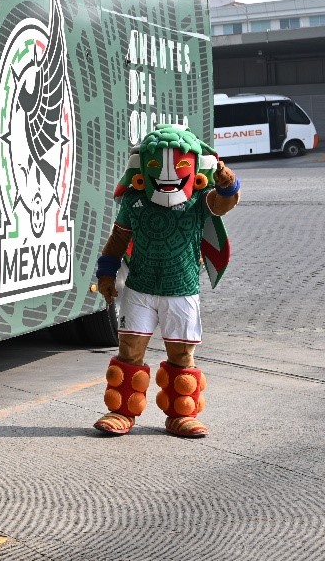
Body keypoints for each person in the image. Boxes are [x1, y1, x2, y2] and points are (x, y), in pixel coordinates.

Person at [91, 123, 241, 438]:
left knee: (181, 355)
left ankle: (180, 414)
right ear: (144, 166)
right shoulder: (134, 202)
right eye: (157, 165)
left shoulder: (201, 200)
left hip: (181, 290)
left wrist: (229, 186)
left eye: (181, 165)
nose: (170, 175)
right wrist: (106, 273)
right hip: (139, 289)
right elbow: (118, 240)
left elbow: (223, 203)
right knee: (129, 350)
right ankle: (121, 411)